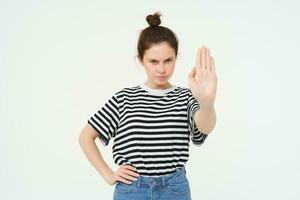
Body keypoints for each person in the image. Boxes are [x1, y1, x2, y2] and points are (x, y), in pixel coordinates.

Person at [79, 11, 217, 200]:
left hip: (174, 189)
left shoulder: (185, 97)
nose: (161, 69)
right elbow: (86, 137)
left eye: (168, 60)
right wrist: (108, 174)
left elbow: (205, 126)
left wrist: (207, 102)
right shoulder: (124, 98)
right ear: (141, 60)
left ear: (176, 58)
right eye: (153, 61)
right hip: (132, 190)